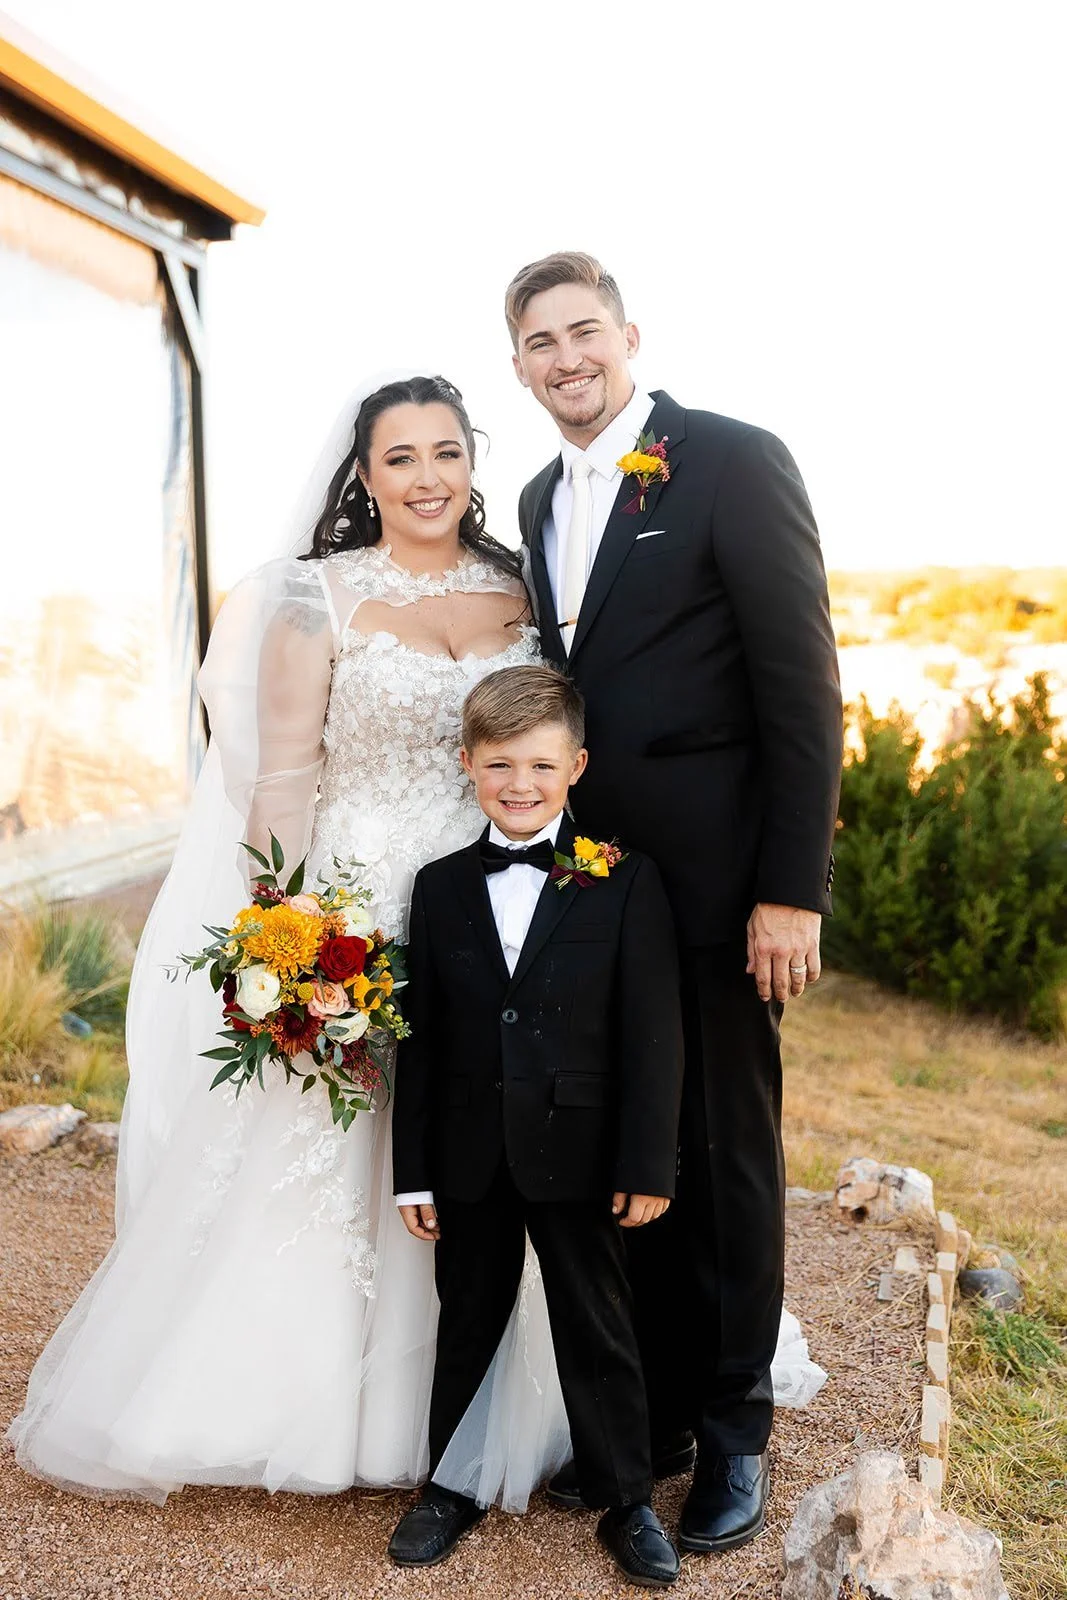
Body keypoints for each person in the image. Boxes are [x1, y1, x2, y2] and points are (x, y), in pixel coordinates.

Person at [7, 374, 569, 1507]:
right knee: (332, 1143)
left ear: (474, 461)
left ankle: (481, 1397)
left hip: (494, 913)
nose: (425, 477)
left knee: (480, 1139)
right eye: (399, 456)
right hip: (353, 904)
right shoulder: (313, 599)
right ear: (361, 473)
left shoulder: (523, 593)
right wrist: (287, 943)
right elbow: (277, 785)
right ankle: (298, 1405)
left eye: (445, 452)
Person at [509, 253, 844, 1553]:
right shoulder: (540, 497)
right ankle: (641, 1420)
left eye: (581, 331)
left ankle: (732, 1431)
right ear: (520, 365)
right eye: (538, 342)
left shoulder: (730, 459)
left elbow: (798, 687)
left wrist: (788, 895)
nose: (564, 358)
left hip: (716, 895)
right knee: (625, 1154)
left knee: (721, 1156)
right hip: (590, 894)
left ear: (627, 336)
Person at [387, 665, 684, 1586]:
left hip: (584, 1152)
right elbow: (422, 1039)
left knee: (596, 1321)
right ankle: (450, 1486)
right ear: (468, 764)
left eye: (542, 767)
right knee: (466, 1313)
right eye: (500, 765)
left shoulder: (624, 881)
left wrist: (648, 1162)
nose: (520, 786)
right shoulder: (436, 889)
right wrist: (414, 1170)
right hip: (471, 1151)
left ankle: (626, 1497)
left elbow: (652, 1035)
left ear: (577, 765)